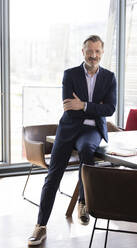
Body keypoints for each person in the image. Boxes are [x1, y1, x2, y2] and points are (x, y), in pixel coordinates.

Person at [28, 35, 117, 246]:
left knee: (87, 150)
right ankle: (40, 226)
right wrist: (95, 107)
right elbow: (69, 107)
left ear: (102, 53)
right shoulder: (70, 75)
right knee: (53, 176)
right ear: (83, 51)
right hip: (68, 130)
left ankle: (83, 202)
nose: (93, 55)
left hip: (91, 131)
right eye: (89, 51)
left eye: (97, 51)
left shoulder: (109, 77)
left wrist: (84, 106)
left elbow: (110, 109)